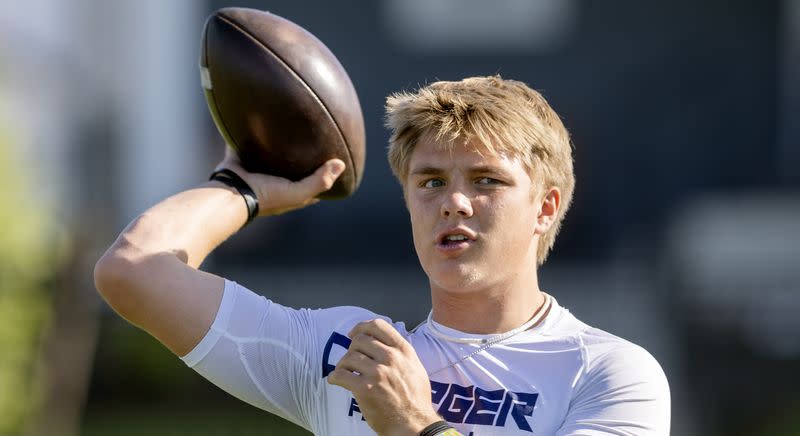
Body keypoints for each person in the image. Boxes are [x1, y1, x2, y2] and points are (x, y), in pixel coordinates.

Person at [95, 75, 670, 435]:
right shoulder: (348, 355)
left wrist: (414, 425)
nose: (455, 203)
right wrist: (241, 189)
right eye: (431, 182)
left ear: (545, 208)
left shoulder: (609, 373)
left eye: (487, 181)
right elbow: (133, 270)